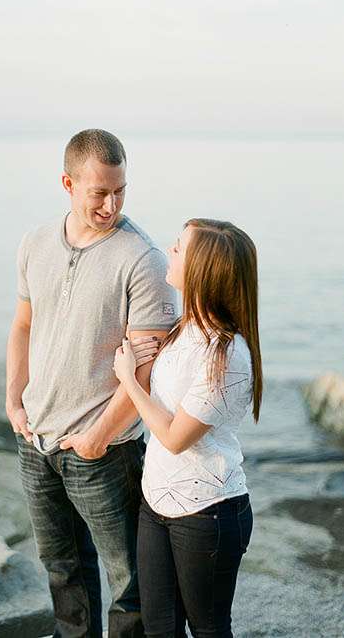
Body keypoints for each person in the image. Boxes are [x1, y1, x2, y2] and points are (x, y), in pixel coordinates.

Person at [5, 128, 180, 637]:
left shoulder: (143, 258)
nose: (111, 203)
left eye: (120, 189)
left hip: (103, 453)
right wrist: (13, 402)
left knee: (130, 580)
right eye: (99, 191)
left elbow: (145, 371)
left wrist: (98, 438)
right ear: (68, 183)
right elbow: (22, 325)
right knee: (61, 568)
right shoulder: (35, 242)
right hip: (35, 440)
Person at [113, 219, 259, 637]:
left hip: (207, 510)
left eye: (179, 247)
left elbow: (176, 437)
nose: (170, 251)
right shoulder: (184, 327)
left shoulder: (227, 353)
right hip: (156, 502)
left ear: (202, 268)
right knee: (160, 627)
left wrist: (128, 379)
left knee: (209, 628)